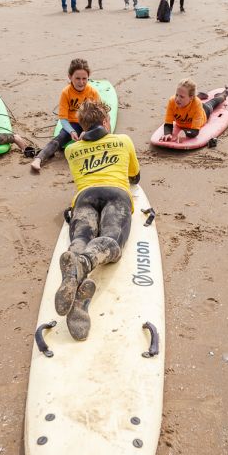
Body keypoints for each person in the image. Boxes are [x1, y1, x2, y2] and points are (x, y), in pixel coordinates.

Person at [56, 100, 140, 340]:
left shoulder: (72, 150)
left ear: (82, 126)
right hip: (117, 196)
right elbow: (135, 175)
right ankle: (84, 264)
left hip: (85, 198)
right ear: (105, 122)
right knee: (110, 241)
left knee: (81, 238)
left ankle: (76, 288)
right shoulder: (123, 141)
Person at [30, 58, 101, 171]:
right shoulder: (66, 93)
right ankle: (39, 159)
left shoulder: (93, 92)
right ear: (70, 77)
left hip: (89, 124)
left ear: (88, 77)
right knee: (60, 138)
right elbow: (63, 118)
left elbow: (98, 117)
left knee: (97, 135)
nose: (81, 82)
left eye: (84, 79)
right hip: (73, 124)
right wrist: (71, 131)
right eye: (77, 78)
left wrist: (87, 131)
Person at [160, 79, 228, 143]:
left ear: (191, 97)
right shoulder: (172, 101)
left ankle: (223, 94)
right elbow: (168, 123)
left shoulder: (197, 104)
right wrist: (167, 133)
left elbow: (195, 131)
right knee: (186, 101)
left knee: (214, 102)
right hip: (190, 103)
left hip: (204, 112)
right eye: (176, 95)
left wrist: (185, 132)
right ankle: (199, 95)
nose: (177, 99)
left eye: (181, 96)